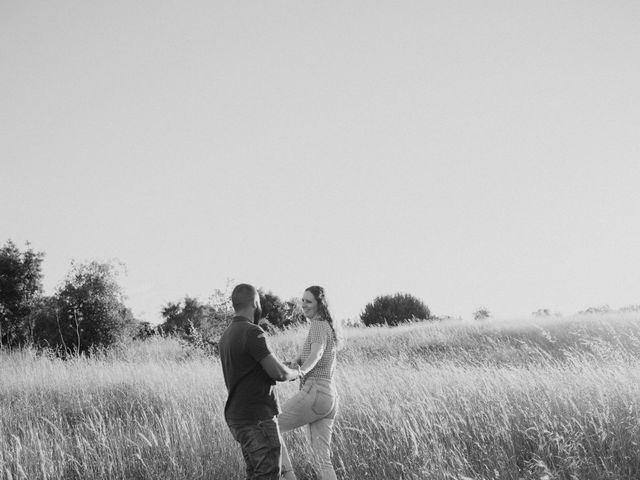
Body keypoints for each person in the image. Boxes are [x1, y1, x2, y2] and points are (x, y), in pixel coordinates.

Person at [219, 283, 303, 480]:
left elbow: (249, 369)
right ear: (255, 302)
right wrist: (296, 372)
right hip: (257, 418)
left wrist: (281, 366)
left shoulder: (226, 336)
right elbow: (279, 374)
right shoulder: (252, 332)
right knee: (268, 474)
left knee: (255, 474)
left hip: (238, 417)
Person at [279, 286, 340, 480]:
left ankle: (288, 476)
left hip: (315, 391)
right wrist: (293, 364)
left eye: (308, 301)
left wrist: (301, 371)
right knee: (323, 459)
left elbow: (317, 353)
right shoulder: (326, 327)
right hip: (329, 397)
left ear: (319, 305)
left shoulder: (317, 325)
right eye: (302, 300)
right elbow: (311, 356)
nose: (303, 305)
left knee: (268, 426)